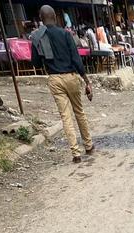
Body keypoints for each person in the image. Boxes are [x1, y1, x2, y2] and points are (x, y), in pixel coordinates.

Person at [30, 5, 94, 163]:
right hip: (71, 77)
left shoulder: (37, 37)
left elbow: (36, 63)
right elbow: (76, 59)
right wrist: (86, 80)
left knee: (65, 117)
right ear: (55, 16)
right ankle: (88, 144)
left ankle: (75, 153)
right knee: (79, 111)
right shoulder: (66, 34)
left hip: (54, 79)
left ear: (41, 18)